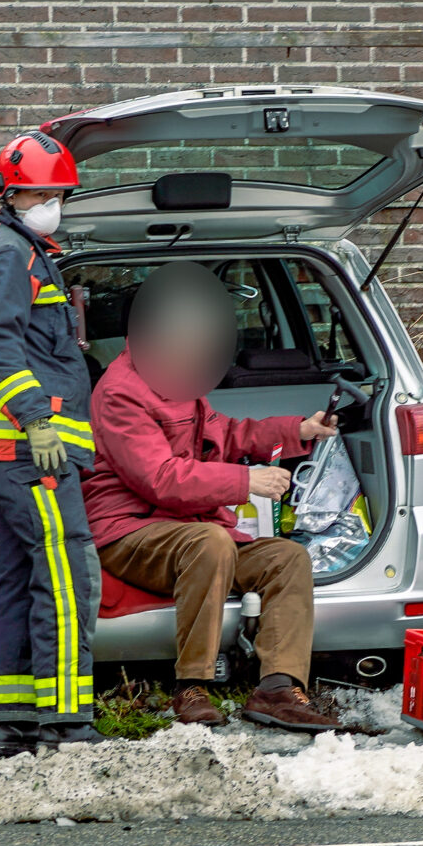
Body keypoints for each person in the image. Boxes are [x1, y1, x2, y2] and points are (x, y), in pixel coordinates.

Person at [84, 263, 344, 730]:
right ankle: (192, 686)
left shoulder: (178, 379)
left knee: (287, 558)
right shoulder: (120, 392)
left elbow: (227, 433)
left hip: (190, 532)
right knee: (210, 541)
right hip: (130, 534)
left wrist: (297, 429)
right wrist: (246, 484)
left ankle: (278, 688)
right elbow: (161, 479)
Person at [0, 132, 102, 755]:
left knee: (15, 574)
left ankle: (10, 721)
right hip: (23, 446)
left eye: (57, 194)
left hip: (7, 447)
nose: (51, 203)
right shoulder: (10, 252)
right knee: (66, 571)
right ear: (11, 195)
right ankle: (67, 722)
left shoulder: (15, 249)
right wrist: (36, 419)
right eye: (40, 193)